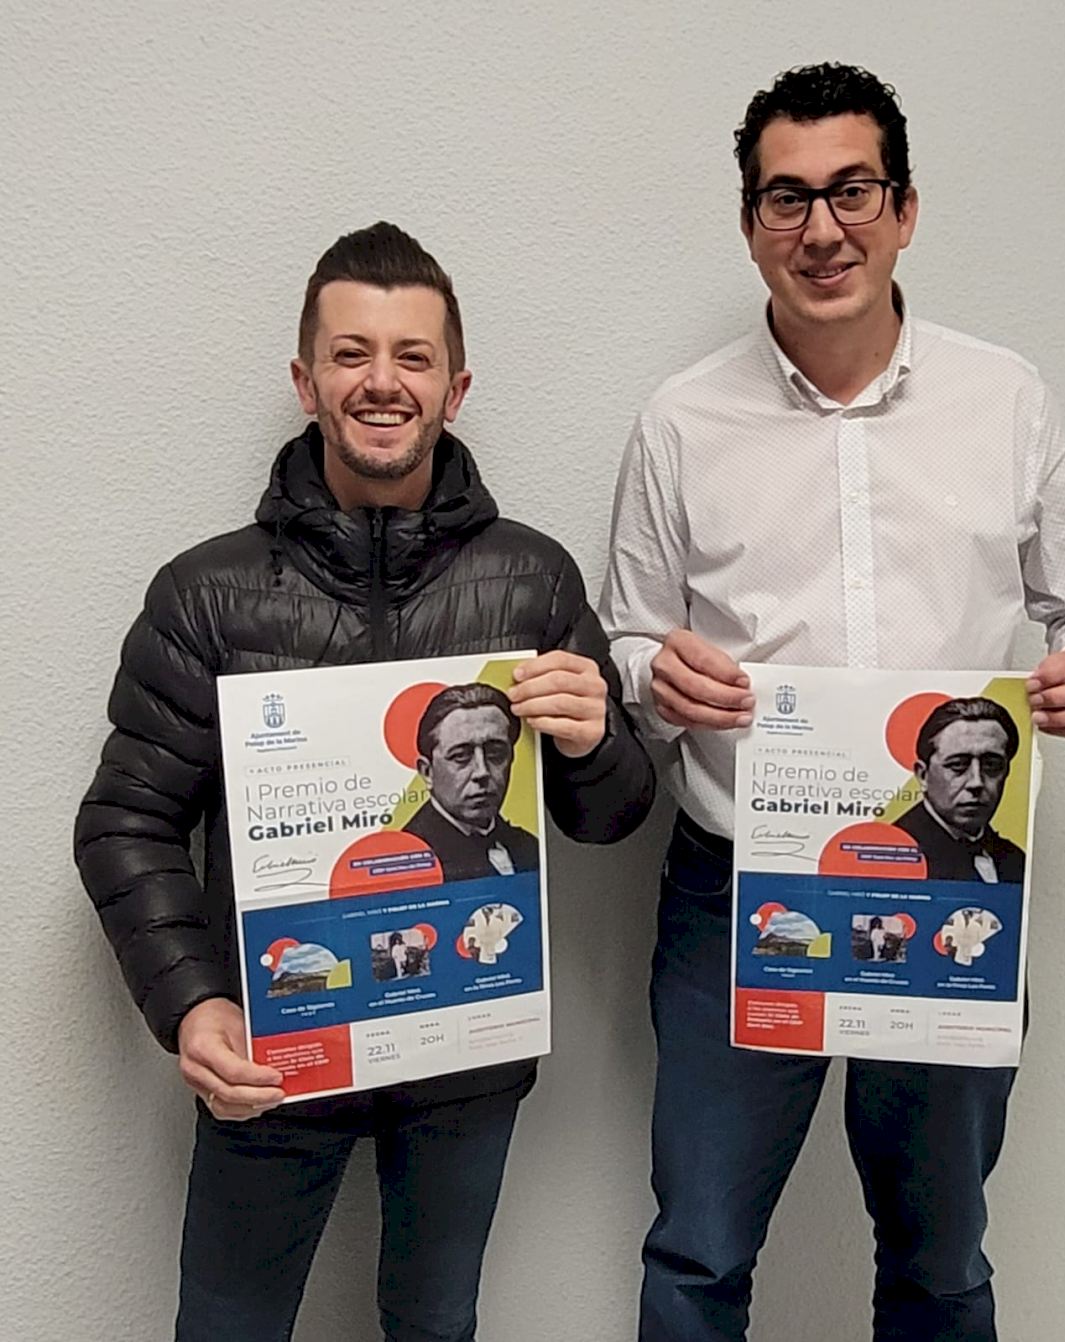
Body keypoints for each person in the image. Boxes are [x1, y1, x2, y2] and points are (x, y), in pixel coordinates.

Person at [600, 62, 1065, 1342]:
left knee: (941, 1255)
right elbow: (628, 631)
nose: (822, 229)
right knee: (698, 1252)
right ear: (750, 225)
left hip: (954, 890)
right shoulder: (680, 422)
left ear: (905, 209)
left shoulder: (1007, 400)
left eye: (853, 191)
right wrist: (652, 677)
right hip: (740, 885)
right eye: (786, 198)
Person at [74, 221, 654, 1342]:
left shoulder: (533, 579)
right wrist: (192, 1002)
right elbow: (125, 822)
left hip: (465, 1062)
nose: (382, 380)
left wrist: (596, 739)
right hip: (274, 1049)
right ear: (306, 382)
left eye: (412, 356)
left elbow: (611, 816)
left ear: (454, 388)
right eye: (351, 353)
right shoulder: (204, 594)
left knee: (435, 1325)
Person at [402, 683, 540, 880]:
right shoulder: (409, 857)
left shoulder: (529, 846)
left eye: (495, 753)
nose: (482, 772)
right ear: (427, 772)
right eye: (461, 756)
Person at [894, 697, 1026, 883]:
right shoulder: (894, 853)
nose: (976, 782)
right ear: (923, 775)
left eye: (991, 765)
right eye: (957, 765)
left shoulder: (1016, 861)